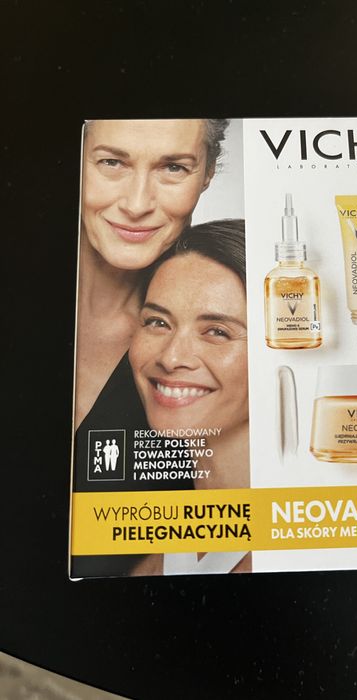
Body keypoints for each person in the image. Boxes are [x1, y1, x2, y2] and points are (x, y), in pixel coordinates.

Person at [75, 118, 230, 427]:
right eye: (111, 162)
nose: (136, 205)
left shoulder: (235, 315)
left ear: (208, 172)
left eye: (173, 168)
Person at [129, 219, 250, 575]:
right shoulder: (146, 557)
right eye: (157, 322)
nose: (171, 358)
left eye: (217, 331)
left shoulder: (308, 544)